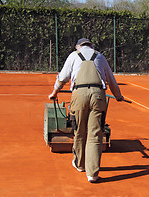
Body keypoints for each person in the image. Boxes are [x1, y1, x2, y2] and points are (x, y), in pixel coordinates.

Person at [48, 38, 124, 183]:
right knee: (95, 133)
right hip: (98, 95)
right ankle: (93, 174)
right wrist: (118, 96)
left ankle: (80, 164)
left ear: (78, 46)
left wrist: (54, 92)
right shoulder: (100, 56)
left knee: (79, 130)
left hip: (79, 94)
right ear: (91, 46)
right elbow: (111, 80)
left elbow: (62, 77)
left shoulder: (73, 56)